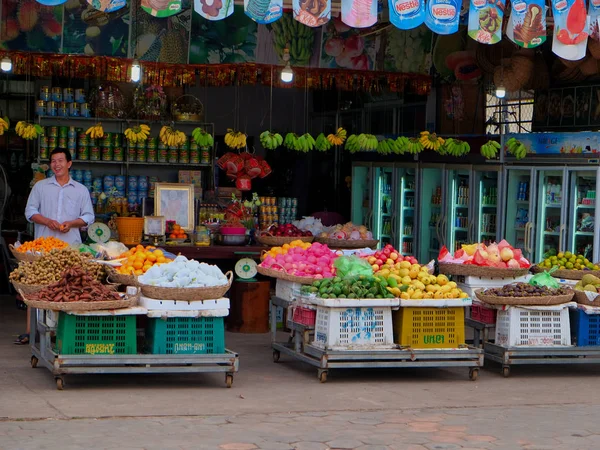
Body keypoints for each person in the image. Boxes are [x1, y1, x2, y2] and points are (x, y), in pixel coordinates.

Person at [14, 148, 94, 344]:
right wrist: (46, 221)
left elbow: (89, 217)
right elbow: (30, 211)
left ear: (69, 164)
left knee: (68, 289)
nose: (56, 164)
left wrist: (72, 223)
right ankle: (30, 331)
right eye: (53, 161)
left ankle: (61, 333)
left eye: (60, 160)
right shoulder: (41, 187)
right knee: (36, 287)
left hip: (70, 249)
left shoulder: (81, 190)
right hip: (43, 247)